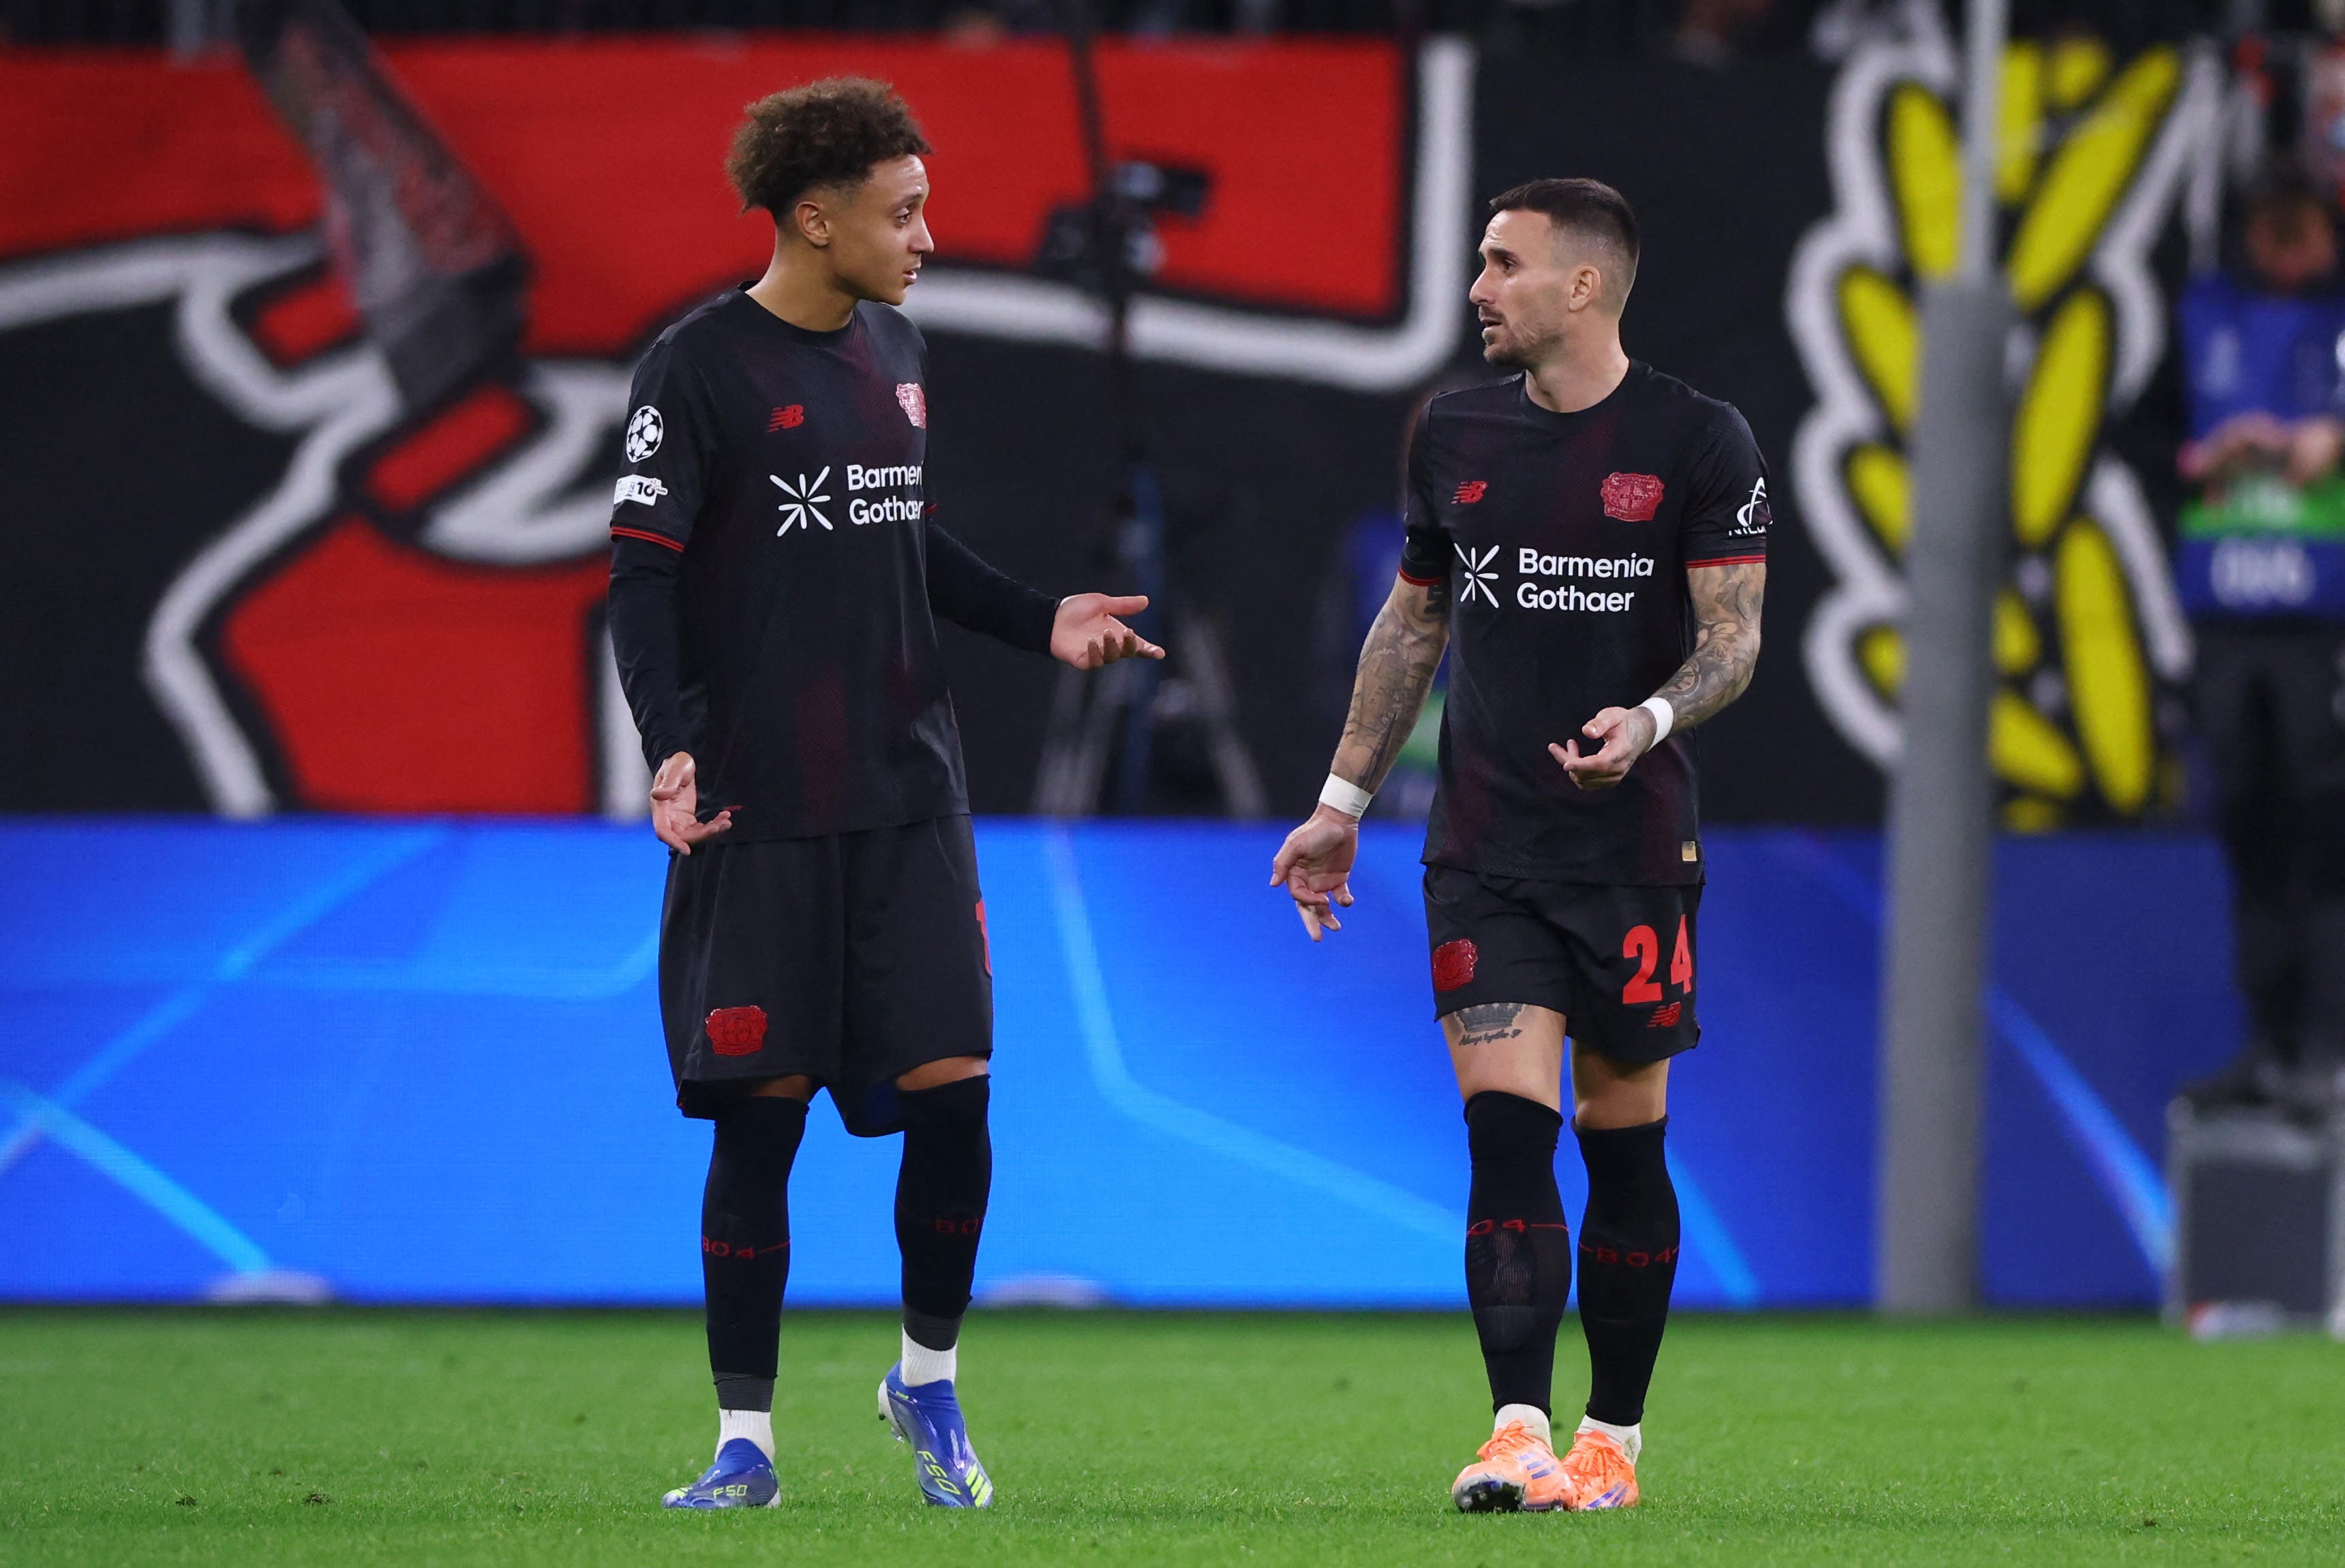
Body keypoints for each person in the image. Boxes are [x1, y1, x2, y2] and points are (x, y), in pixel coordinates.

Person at [605, 77, 1162, 1511]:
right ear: (815, 215)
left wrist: (1036, 615)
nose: (926, 234)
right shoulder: (695, 367)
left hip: (910, 798)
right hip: (759, 808)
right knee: (761, 1120)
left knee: (957, 1098)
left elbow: (901, 535)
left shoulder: (899, 349)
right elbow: (642, 579)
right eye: (902, 210)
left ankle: (926, 1379)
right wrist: (669, 741)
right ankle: (746, 1442)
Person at [1270, 178, 1767, 1513]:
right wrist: (1339, 799)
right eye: (1480, 262)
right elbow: (1412, 622)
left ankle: (1612, 1442)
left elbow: (1733, 640)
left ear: (1584, 286)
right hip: (1483, 850)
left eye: (1503, 264)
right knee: (1504, 1135)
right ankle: (1515, 1428)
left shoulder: (1698, 439)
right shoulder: (1453, 431)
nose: (1479, 287)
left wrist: (1649, 715)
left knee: (1622, 1146)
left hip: (1632, 854)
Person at [2174, 168, 2345, 1114]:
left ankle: (2329, 1046)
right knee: (2250, 826)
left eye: (2302, 233)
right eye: (2267, 235)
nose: (2284, 256)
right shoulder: (2207, 318)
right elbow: (2147, 440)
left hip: (2328, 629)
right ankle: (2270, 1045)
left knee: (2328, 834)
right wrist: (2209, 457)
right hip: (2233, 623)